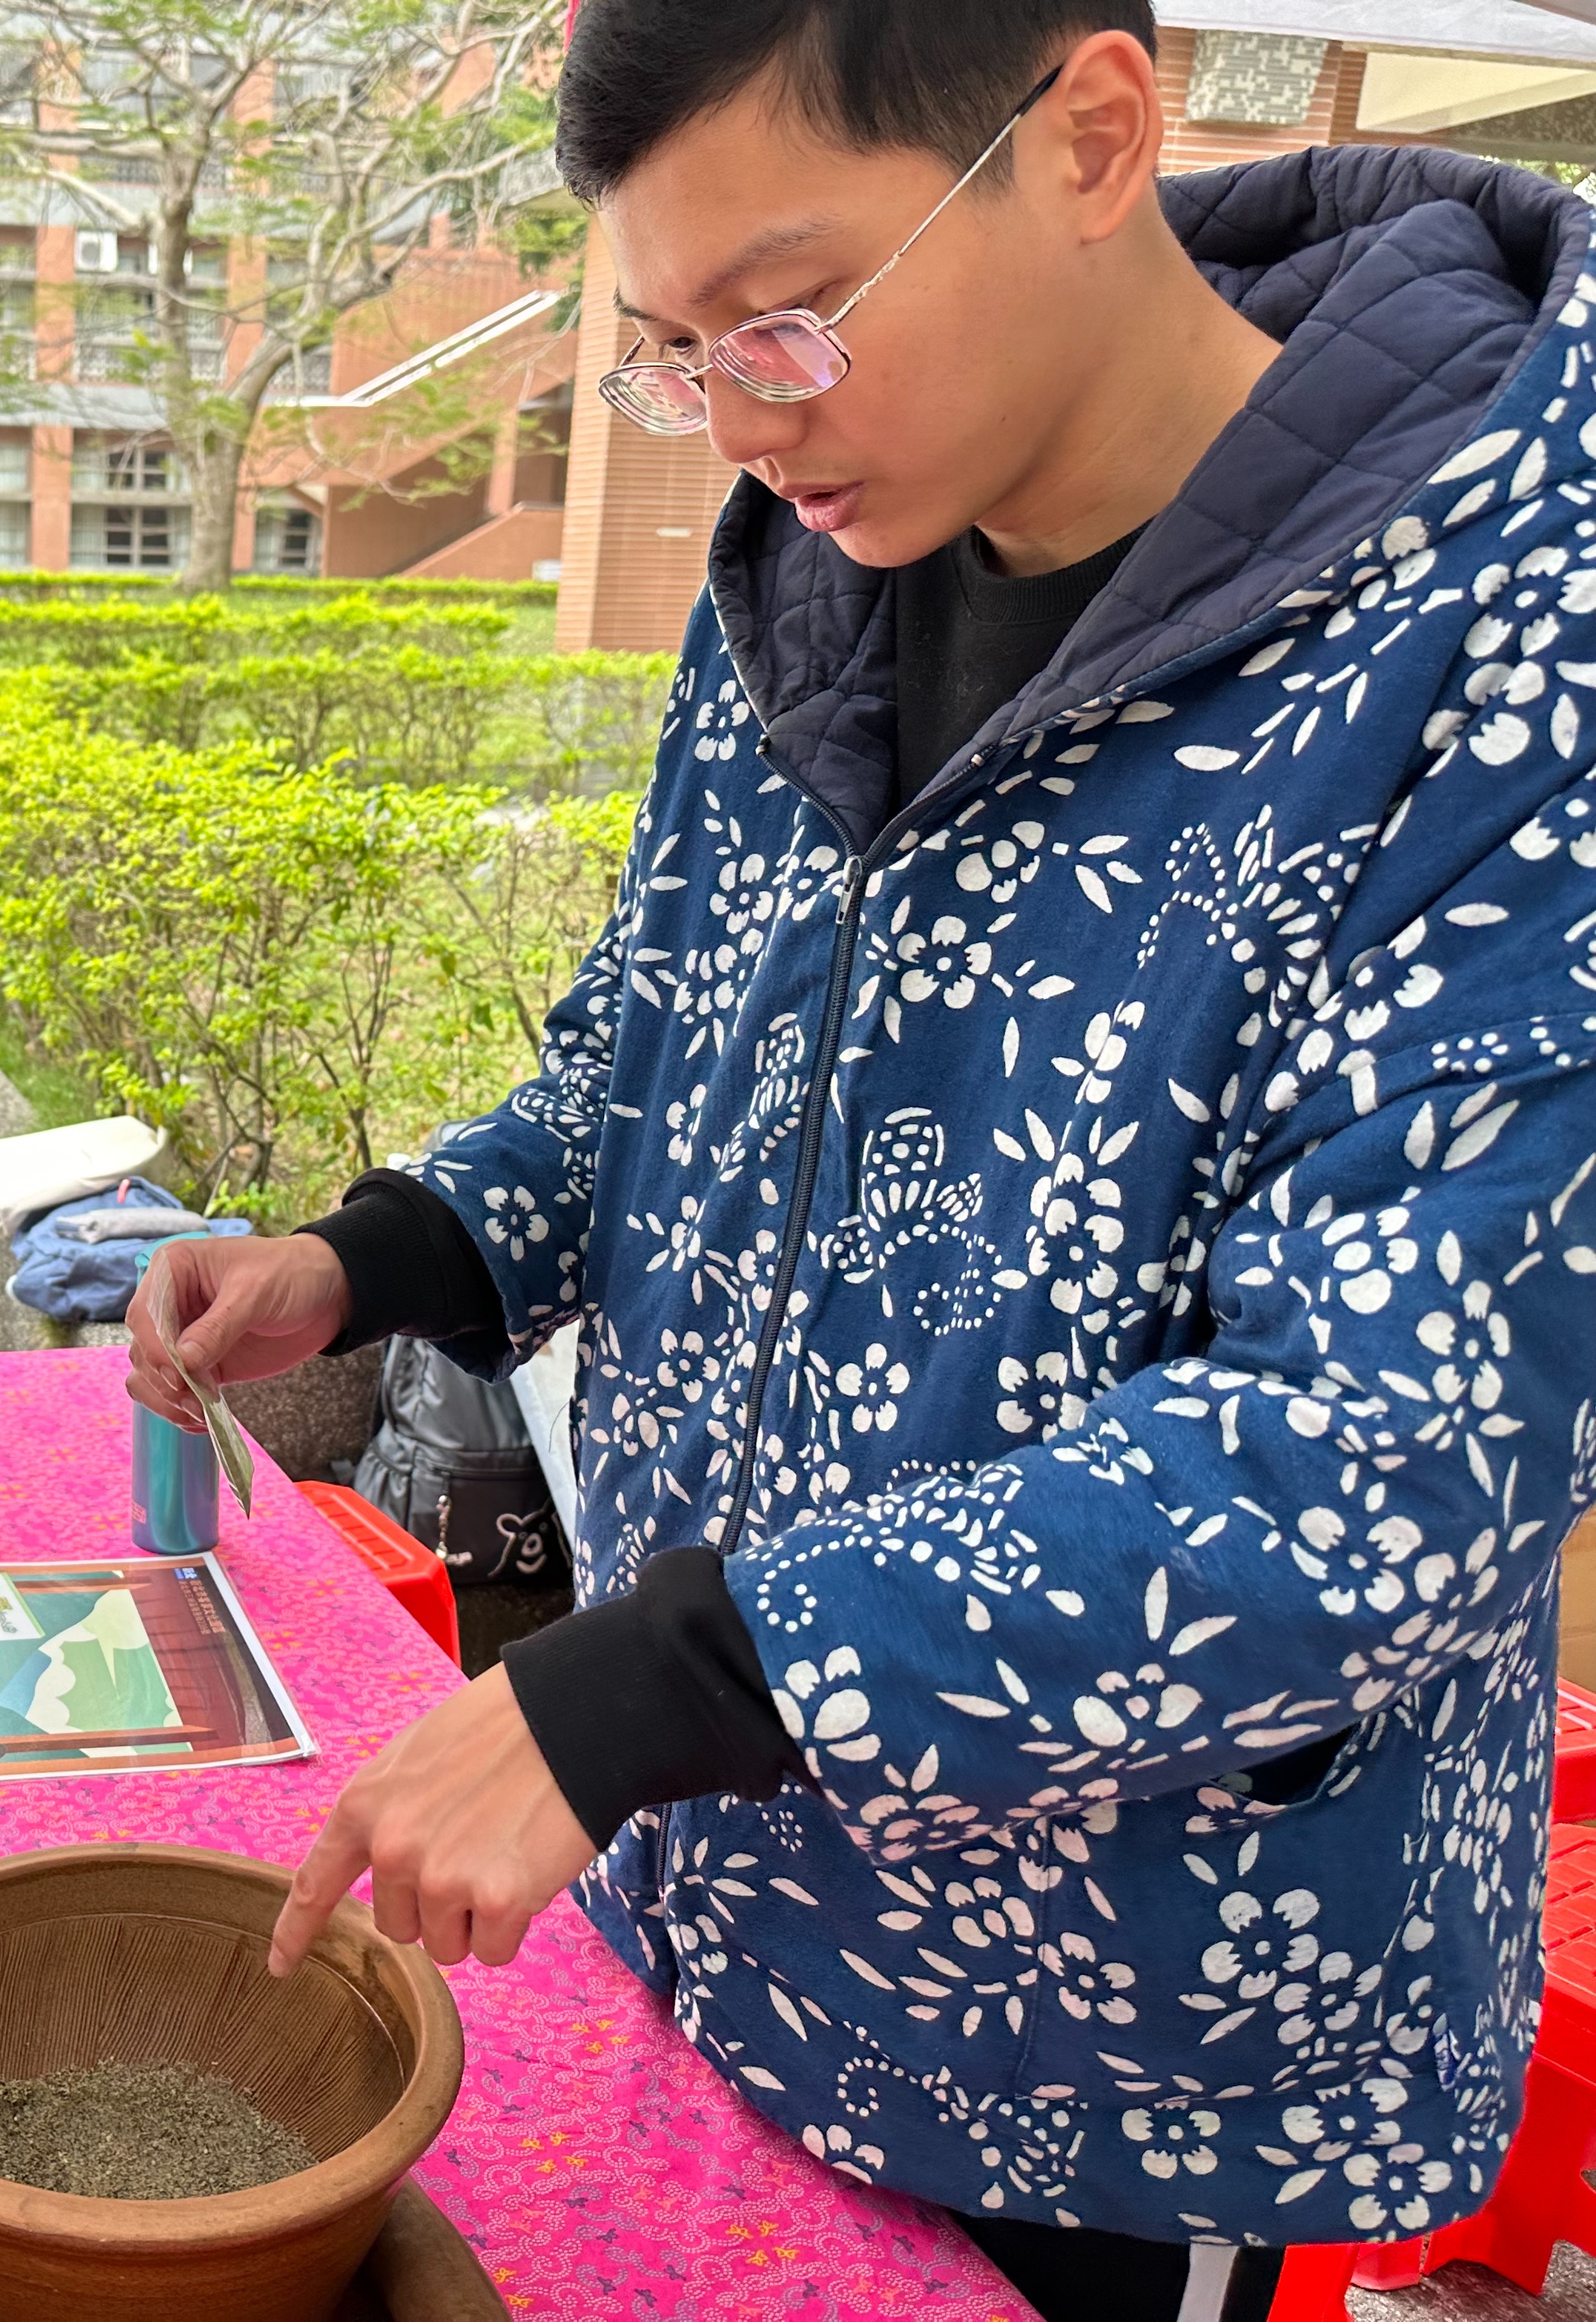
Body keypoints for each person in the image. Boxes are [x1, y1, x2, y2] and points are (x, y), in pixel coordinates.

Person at [131, 8, 1596, 2317]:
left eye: (794, 314)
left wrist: (660, 1687)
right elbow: (650, 1062)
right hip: (719, 1889)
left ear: (1092, 130)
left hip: (1127, 2024)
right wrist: (379, 1252)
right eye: (674, 350)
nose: (743, 412)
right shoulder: (806, 571)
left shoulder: (1506, 635)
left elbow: (1379, 1457)